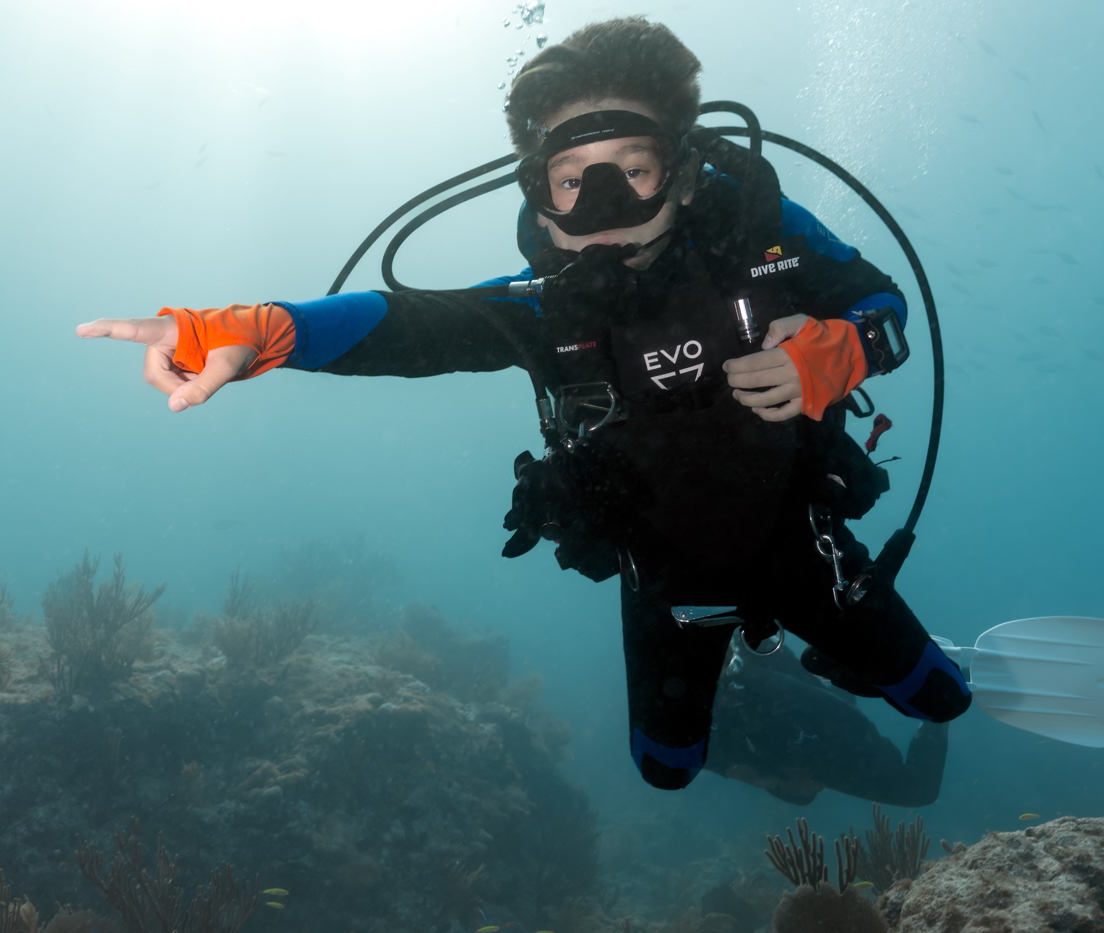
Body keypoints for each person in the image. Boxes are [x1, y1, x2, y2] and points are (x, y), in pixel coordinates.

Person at [77, 16, 972, 791]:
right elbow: (409, 324)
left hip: (803, 543)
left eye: (635, 167)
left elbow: (883, 300)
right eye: (571, 179)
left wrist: (846, 347)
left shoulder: (762, 242)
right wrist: (267, 331)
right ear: (538, 202)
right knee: (666, 770)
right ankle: (764, 674)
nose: (604, 203)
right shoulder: (545, 310)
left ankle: (805, 660)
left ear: (686, 172)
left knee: (943, 699)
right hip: (663, 577)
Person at [708, 640, 948, 807]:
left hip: (803, 728)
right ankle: (939, 694)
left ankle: (942, 695)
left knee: (917, 790)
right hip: (793, 730)